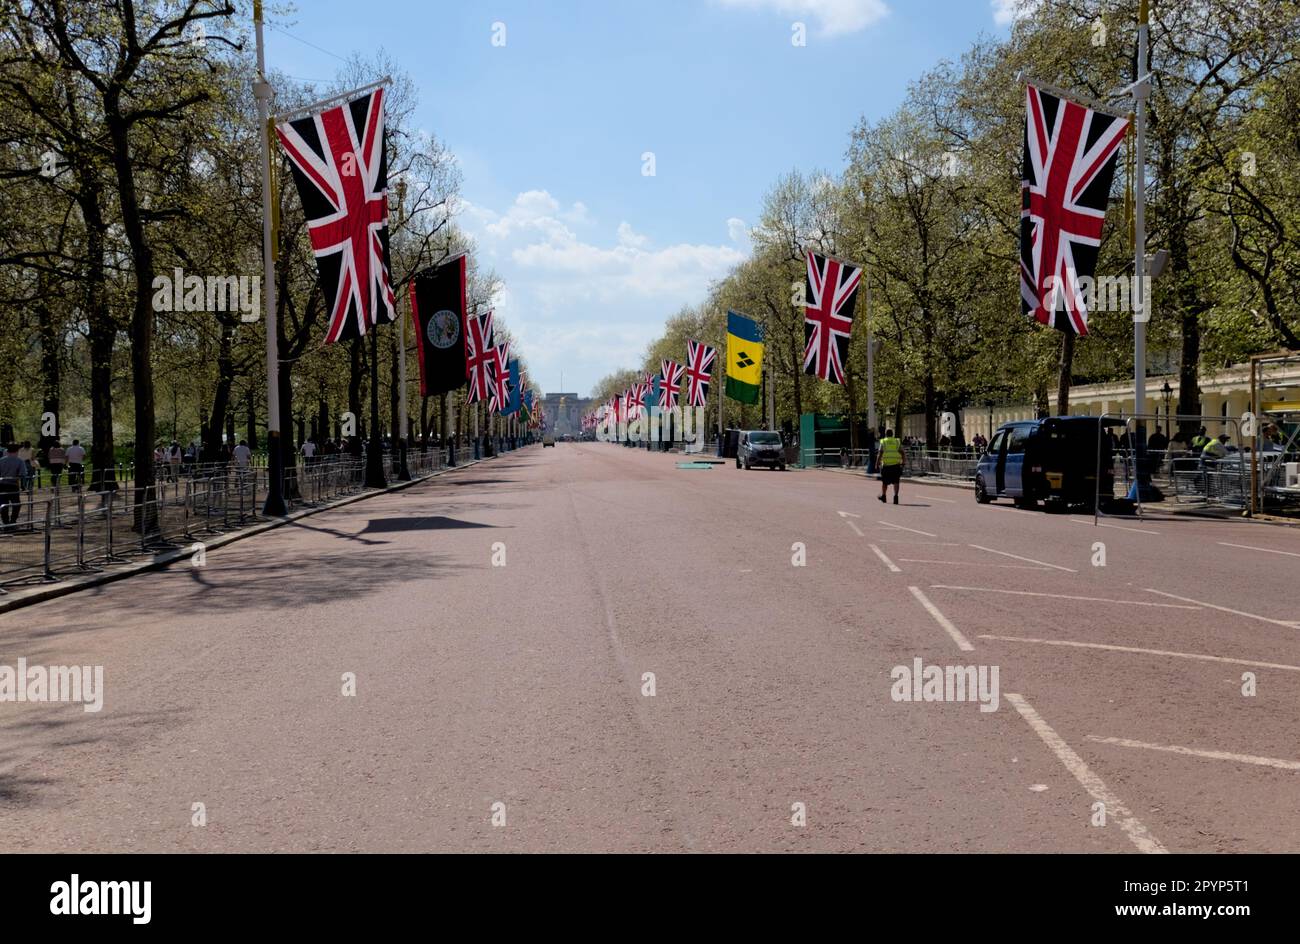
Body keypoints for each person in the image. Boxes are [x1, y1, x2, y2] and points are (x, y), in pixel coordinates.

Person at [877, 428, 904, 504]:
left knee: (884, 482)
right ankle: (896, 497)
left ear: (886, 434)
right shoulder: (897, 441)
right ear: (892, 434)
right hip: (896, 465)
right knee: (896, 481)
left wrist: (877, 463)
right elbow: (902, 453)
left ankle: (884, 496)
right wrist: (903, 462)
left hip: (886, 465)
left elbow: (880, 454)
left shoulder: (883, 442)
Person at [0, 443, 24, 530]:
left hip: (2, 485)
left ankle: (5, 523)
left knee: (3, 504)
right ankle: (13, 521)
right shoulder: (20, 461)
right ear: (17, 451)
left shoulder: (1, 460)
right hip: (13, 485)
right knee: (16, 504)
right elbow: (23, 474)